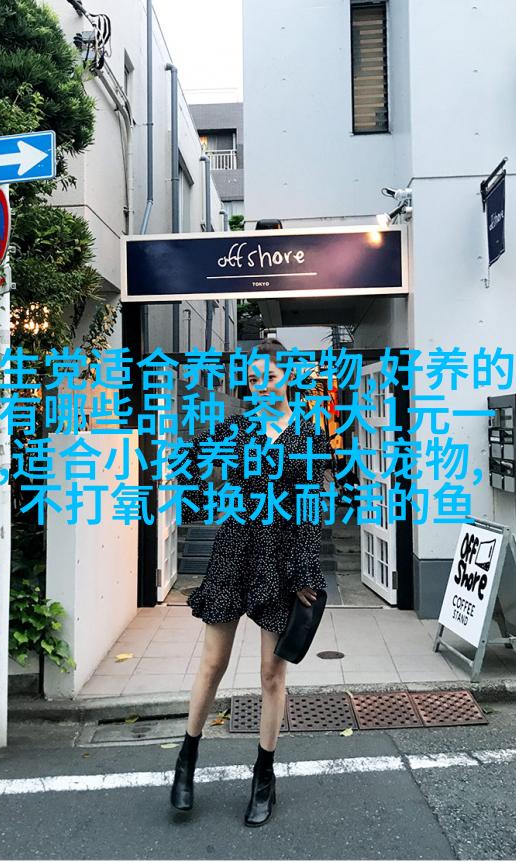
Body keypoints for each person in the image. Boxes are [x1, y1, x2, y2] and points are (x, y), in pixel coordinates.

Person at [170, 338, 331, 826]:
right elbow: (189, 460)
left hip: (281, 562)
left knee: (270, 674)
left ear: (288, 377)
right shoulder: (235, 428)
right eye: (254, 378)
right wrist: (201, 504)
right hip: (235, 550)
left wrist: (303, 571)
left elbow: (310, 508)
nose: (261, 384)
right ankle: (186, 761)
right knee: (212, 664)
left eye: (270, 376)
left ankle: (264, 776)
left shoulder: (308, 435)